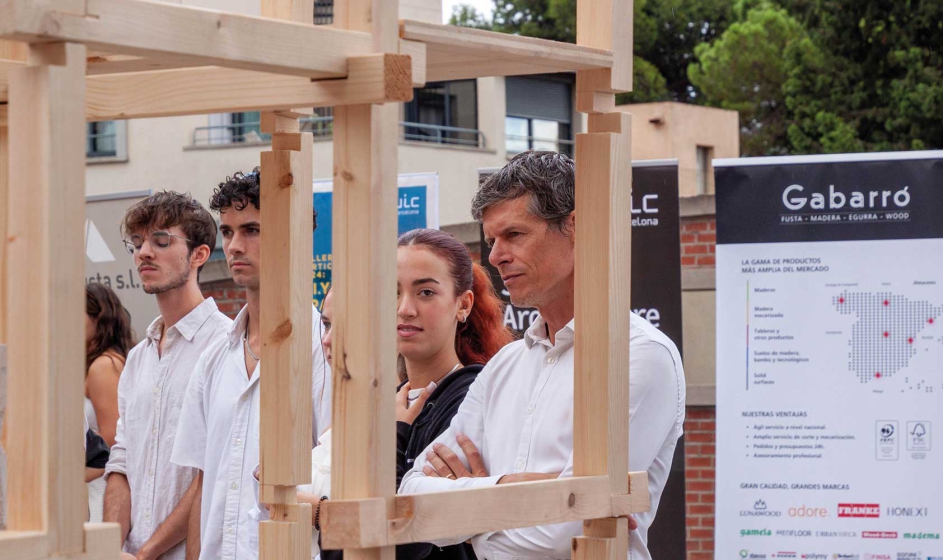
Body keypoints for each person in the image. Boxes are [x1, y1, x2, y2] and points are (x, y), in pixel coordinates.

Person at [398, 151, 686, 560]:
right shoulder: (504, 365)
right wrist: (503, 488)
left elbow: (563, 535)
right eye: (492, 240)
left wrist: (467, 520)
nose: (495, 255)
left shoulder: (639, 356)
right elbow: (411, 498)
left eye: (514, 235)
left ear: (576, 226)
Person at [258, 228, 512, 560]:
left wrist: (321, 511)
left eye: (425, 292)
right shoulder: (387, 404)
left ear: (462, 305)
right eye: (393, 292)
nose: (405, 309)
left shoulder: (471, 397)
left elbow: (403, 545)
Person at [172, 169, 331, 560]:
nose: (235, 245)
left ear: (294, 235)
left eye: (252, 230)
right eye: (227, 232)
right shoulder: (213, 359)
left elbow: (336, 475)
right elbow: (203, 486)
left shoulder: (324, 348)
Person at [103, 191, 233, 560]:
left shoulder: (226, 346)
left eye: (161, 240)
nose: (145, 252)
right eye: (138, 242)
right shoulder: (138, 357)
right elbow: (122, 459)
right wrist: (112, 549)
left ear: (199, 255)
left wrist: (148, 553)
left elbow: (213, 469)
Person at [84, 282, 134, 522]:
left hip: (97, 488)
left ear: (98, 317)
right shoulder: (107, 361)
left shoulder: (103, 366)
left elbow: (112, 439)